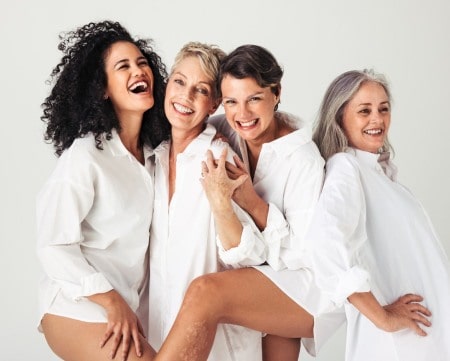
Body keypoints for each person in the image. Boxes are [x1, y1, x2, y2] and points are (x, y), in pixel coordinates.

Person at [151, 44, 344, 361]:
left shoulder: (303, 160)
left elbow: (301, 255)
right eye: (231, 102)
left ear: (276, 93)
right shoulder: (225, 129)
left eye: (254, 99)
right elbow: (189, 119)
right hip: (264, 274)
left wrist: (251, 202)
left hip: (307, 288)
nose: (243, 114)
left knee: (205, 294)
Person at [36, 20, 169, 361]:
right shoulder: (85, 157)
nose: (138, 70)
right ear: (102, 89)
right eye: (122, 66)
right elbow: (53, 245)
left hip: (126, 309)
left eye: (141, 63)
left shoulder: (157, 157)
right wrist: (111, 301)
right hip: (76, 305)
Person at [308, 69, 450, 361]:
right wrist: (382, 317)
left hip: (425, 336)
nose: (377, 119)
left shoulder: (377, 175)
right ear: (339, 118)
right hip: (402, 344)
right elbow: (324, 241)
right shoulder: (346, 168)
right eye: (364, 111)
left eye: (383, 109)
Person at [147, 42, 264, 360]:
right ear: (167, 84)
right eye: (180, 81)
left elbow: (249, 255)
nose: (185, 96)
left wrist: (222, 203)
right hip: (161, 336)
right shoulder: (152, 158)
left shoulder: (218, 156)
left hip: (217, 345)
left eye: (200, 90)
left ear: (214, 104)